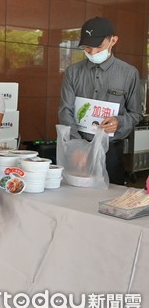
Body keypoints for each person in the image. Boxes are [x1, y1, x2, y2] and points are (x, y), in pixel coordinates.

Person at [58, 17, 143, 185]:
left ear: (113, 40)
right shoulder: (73, 72)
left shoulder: (128, 73)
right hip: (78, 147)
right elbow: (65, 110)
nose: (93, 53)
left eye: (99, 47)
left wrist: (119, 122)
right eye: (88, 48)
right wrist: (77, 146)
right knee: (74, 199)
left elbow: (136, 113)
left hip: (110, 150)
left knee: (109, 198)